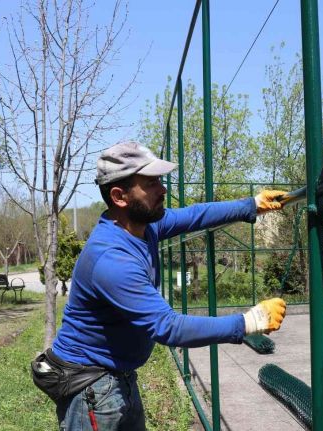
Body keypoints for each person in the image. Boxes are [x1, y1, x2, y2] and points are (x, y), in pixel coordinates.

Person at [39, 141, 288, 431]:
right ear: (119, 196)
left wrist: (252, 205)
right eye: (151, 183)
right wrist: (249, 322)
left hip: (116, 377)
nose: (163, 189)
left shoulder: (143, 226)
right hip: (91, 387)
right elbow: (168, 327)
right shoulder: (112, 259)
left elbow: (195, 215)